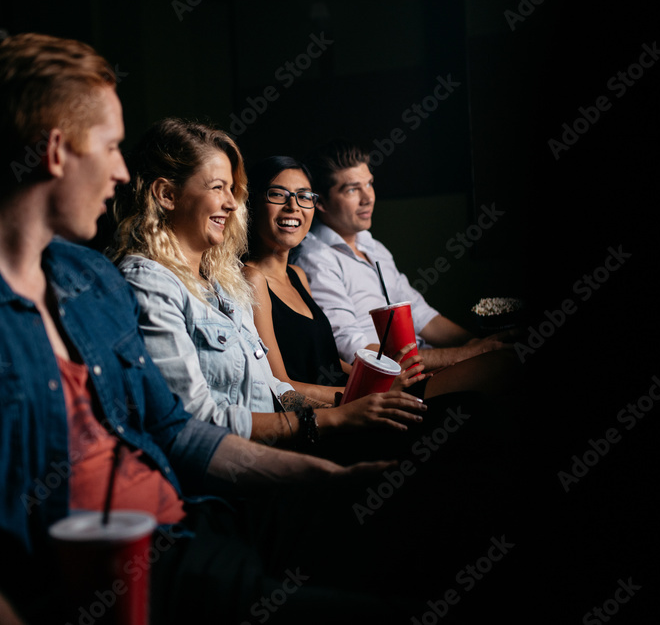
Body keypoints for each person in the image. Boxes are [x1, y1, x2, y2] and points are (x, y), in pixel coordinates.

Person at [0, 34, 416, 624]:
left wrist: (326, 479)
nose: (120, 174)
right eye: (110, 148)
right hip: (122, 566)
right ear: (55, 152)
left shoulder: (90, 281)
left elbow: (175, 431)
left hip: (192, 521)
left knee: (423, 504)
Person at [110, 119, 428, 444]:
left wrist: (361, 399)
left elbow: (277, 391)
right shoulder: (154, 281)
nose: (233, 203)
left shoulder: (223, 283)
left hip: (296, 433)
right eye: (218, 187)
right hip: (260, 456)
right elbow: (197, 422)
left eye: (233, 190)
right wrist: (343, 412)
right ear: (166, 194)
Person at [292, 139, 516, 392]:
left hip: (425, 363)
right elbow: (354, 350)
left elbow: (420, 314)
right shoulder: (315, 259)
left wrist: (477, 343)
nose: (368, 198)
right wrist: (468, 354)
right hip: (390, 382)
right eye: (352, 189)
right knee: (507, 362)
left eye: (369, 184)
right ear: (319, 202)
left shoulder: (373, 246)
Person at [243, 155, 431, 403]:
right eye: (278, 194)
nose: (293, 206)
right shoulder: (252, 279)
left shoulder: (297, 275)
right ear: (252, 203)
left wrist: (382, 380)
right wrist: (365, 394)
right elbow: (279, 383)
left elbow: (328, 360)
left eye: (304, 196)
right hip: (333, 412)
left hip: (354, 398)